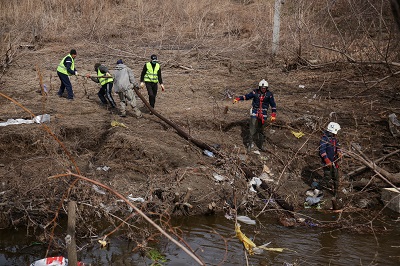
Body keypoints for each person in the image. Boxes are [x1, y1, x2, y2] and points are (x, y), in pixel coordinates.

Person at [233, 79, 277, 152]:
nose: (263, 89)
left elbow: (273, 105)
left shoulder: (269, 95)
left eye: (265, 88)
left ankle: (261, 145)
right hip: (255, 111)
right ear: (259, 87)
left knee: (262, 129)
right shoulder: (255, 92)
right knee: (252, 127)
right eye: (262, 88)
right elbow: (247, 96)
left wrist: (273, 115)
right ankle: (249, 145)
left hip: (263, 113)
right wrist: (238, 98)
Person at [319, 122, 342, 197]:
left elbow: (338, 146)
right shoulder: (324, 139)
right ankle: (318, 191)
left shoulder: (334, 138)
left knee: (336, 177)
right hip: (327, 162)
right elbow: (322, 150)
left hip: (335, 162)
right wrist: (327, 160)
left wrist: (339, 152)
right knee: (327, 177)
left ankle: (336, 193)